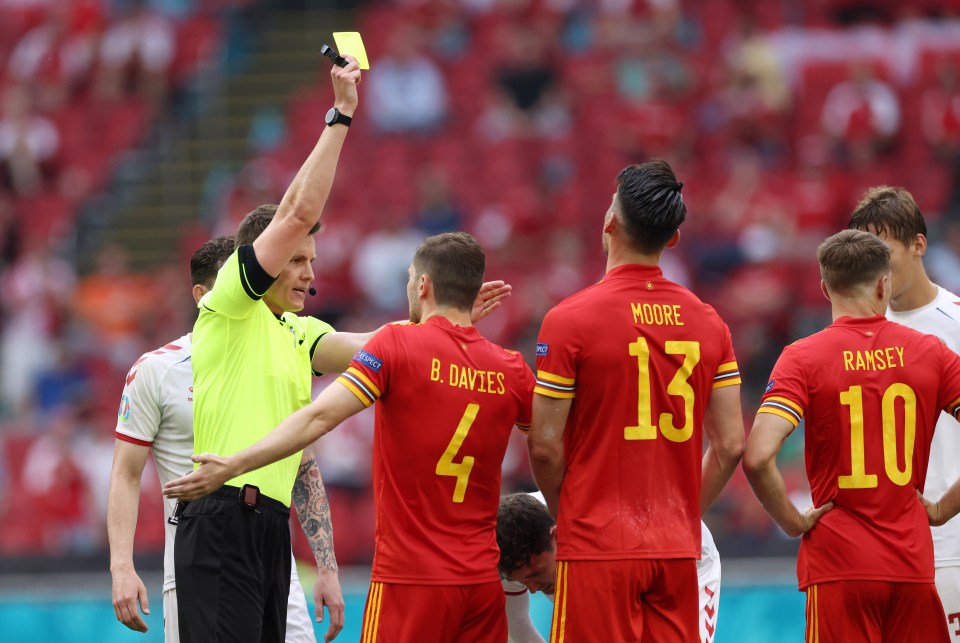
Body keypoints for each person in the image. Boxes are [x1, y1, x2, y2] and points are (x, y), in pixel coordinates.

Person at [165, 232, 537, 643]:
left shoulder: (398, 347)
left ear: (424, 286)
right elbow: (551, 449)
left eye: (411, 280)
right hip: (482, 580)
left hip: (411, 578)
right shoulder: (512, 369)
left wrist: (235, 463)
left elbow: (320, 417)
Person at [172, 57, 363, 643]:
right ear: (266, 259)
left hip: (269, 528)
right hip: (223, 517)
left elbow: (381, 347)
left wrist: (443, 316)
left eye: (313, 261)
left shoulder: (298, 334)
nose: (310, 275)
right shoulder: (232, 304)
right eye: (299, 260)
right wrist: (340, 116)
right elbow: (298, 211)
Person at [527, 158, 745, 642]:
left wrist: (566, 518)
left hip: (598, 544)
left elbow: (544, 446)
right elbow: (730, 445)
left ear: (609, 224)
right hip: (675, 547)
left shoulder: (569, 320)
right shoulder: (710, 322)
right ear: (672, 239)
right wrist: (684, 513)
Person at [743, 229, 960, 643]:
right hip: (911, 564)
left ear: (825, 288)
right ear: (884, 284)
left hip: (839, 564)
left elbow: (756, 457)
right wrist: (941, 510)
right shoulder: (929, 351)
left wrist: (794, 522)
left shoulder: (802, 357)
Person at [107, 236, 323, 643]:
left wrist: (325, 567)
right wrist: (121, 566)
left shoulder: (276, 357)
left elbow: (303, 463)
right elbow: (126, 473)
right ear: (202, 295)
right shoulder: (157, 370)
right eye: (234, 285)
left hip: (274, 563)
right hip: (199, 563)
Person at [848, 187, 960, 637]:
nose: (873, 265)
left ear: (919, 244)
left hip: (951, 547)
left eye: (884, 248)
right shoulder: (852, 331)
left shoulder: (955, 325)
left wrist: (940, 510)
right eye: (865, 251)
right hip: (879, 554)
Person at [496, 492, 722, 643]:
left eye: (536, 575)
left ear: (558, 537)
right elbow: (518, 624)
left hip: (685, 559)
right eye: (523, 580)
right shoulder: (506, 553)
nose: (533, 589)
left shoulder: (601, 531)